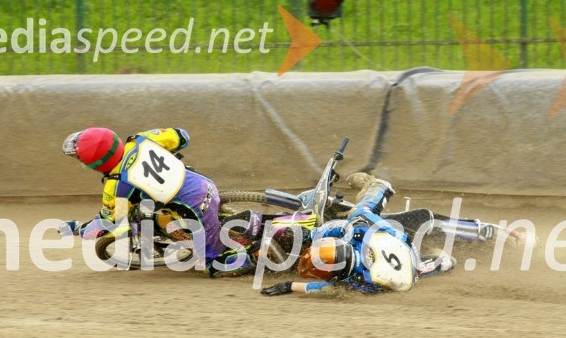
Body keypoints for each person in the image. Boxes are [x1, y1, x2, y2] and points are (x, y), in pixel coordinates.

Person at [60, 127, 260, 276]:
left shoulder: (117, 185)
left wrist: (78, 228)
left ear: (94, 164)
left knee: (210, 266)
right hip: (204, 183)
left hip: (195, 210)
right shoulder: (140, 139)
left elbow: (108, 222)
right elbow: (182, 136)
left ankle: (247, 258)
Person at [260, 174, 456, 296]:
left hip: (405, 260)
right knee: (360, 215)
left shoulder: (356, 281)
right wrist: (313, 235)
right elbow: (343, 228)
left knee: (358, 215)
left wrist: (312, 235)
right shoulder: (358, 252)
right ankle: (441, 263)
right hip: (401, 251)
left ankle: (381, 187)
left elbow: (325, 289)